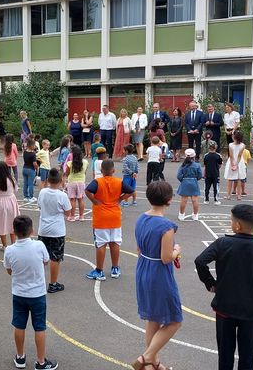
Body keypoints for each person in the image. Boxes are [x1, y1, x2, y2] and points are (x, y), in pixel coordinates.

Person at [195, 204, 253, 370]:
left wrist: (211, 283)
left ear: (237, 225)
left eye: (231, 221)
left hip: (225, 307)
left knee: (225, 354)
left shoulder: (222, 243)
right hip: (252, 308)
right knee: (248, 355)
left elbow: (200, 261)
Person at [132, 181, 182, 370]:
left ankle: (153, 364)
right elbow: (166, 258)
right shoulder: (166, 226)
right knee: (174, 320)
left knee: (153, 318)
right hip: (159, 274)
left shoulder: (141, 219)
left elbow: (138, 249)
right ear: (169, 200)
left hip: (143, 268)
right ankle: (146, 357)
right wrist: (177, 249)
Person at [5, 215, 58, 370]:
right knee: (39, 327)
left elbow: (9, 270)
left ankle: (20, 357)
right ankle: (41, 362)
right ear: (32, 231)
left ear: (14, 231)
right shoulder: (39, 245)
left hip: (19, 293)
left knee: (19, 325)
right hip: (37, 294)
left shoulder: (10, 250)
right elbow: (46, 261)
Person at [85, 159, 134, 281]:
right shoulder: (119, 182)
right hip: (115, 215)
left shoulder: (97, 181)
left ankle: (99, 271)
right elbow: (132, 191)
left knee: (101, 243)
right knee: (115, 242)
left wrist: (95, 201)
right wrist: (120, 199)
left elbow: (87, 190)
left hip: (101, 216)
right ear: (113, 170)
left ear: (101, 171)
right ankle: (115, 268)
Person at [0, 161, 20, 250]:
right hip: (11, 201)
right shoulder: (11, 179)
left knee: (1, 223)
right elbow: (16, 189)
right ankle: (14, 244)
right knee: (12, 222)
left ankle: (5, 245)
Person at [177, 149, 202, 221]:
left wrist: (183, 180)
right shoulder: (197, 165)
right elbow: (200, 175)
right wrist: (195, 179)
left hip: (185, 181)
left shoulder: (183, 165)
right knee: (195, 199)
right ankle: (195, 215)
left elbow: (179, 176)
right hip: (193, 181)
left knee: (184, 200)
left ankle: (181, 214)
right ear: (194, 156)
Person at [65, 146, 88, 221]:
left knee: (72, 199)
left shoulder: (69, 163)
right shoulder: (85, 162)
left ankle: (72, 216)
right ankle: (81, 216)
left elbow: (67, 173)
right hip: (81, 182)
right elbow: (85, 172)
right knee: (80, 199)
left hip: (72, 182)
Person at [224, 131, 246, 200]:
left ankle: (228, 195)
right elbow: (239, 155)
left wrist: (232, 164)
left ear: (234, 137)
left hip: (231, 161)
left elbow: (231, 156)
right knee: (239, 179)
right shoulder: (243, 145)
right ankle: (239, 195)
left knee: (230, 179)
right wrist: (237, 164)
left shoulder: (230, 145)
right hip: (240, 162)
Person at [22, 136, 38, 203]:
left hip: (24, 168)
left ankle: (25, 196)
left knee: (25, 183)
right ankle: (31, 197)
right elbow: (34, 163)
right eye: (34, 145)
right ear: (31, 145)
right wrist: (37, 168)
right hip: (31, 169)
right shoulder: (33, 154)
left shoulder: (25, 152)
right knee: (30, 183)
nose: (35, 146)